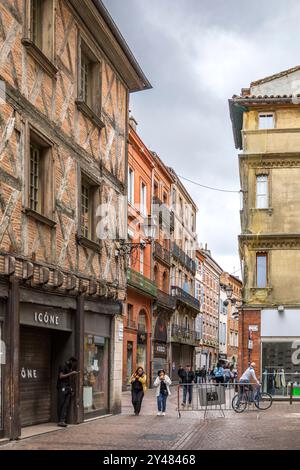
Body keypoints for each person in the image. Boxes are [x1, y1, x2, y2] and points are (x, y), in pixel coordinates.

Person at [57, 357, 79, 427]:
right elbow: (61, 376)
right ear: (71, 361)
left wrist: (71, 389)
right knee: (62, 404)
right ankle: (60, 421)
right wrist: (71, 373)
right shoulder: (63, 365)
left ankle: (62, 420)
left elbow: (68, 380)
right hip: (62, 387)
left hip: (67, 388)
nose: (74, 365)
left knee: (66, 405)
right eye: (74, 363)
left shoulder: (69, 367)